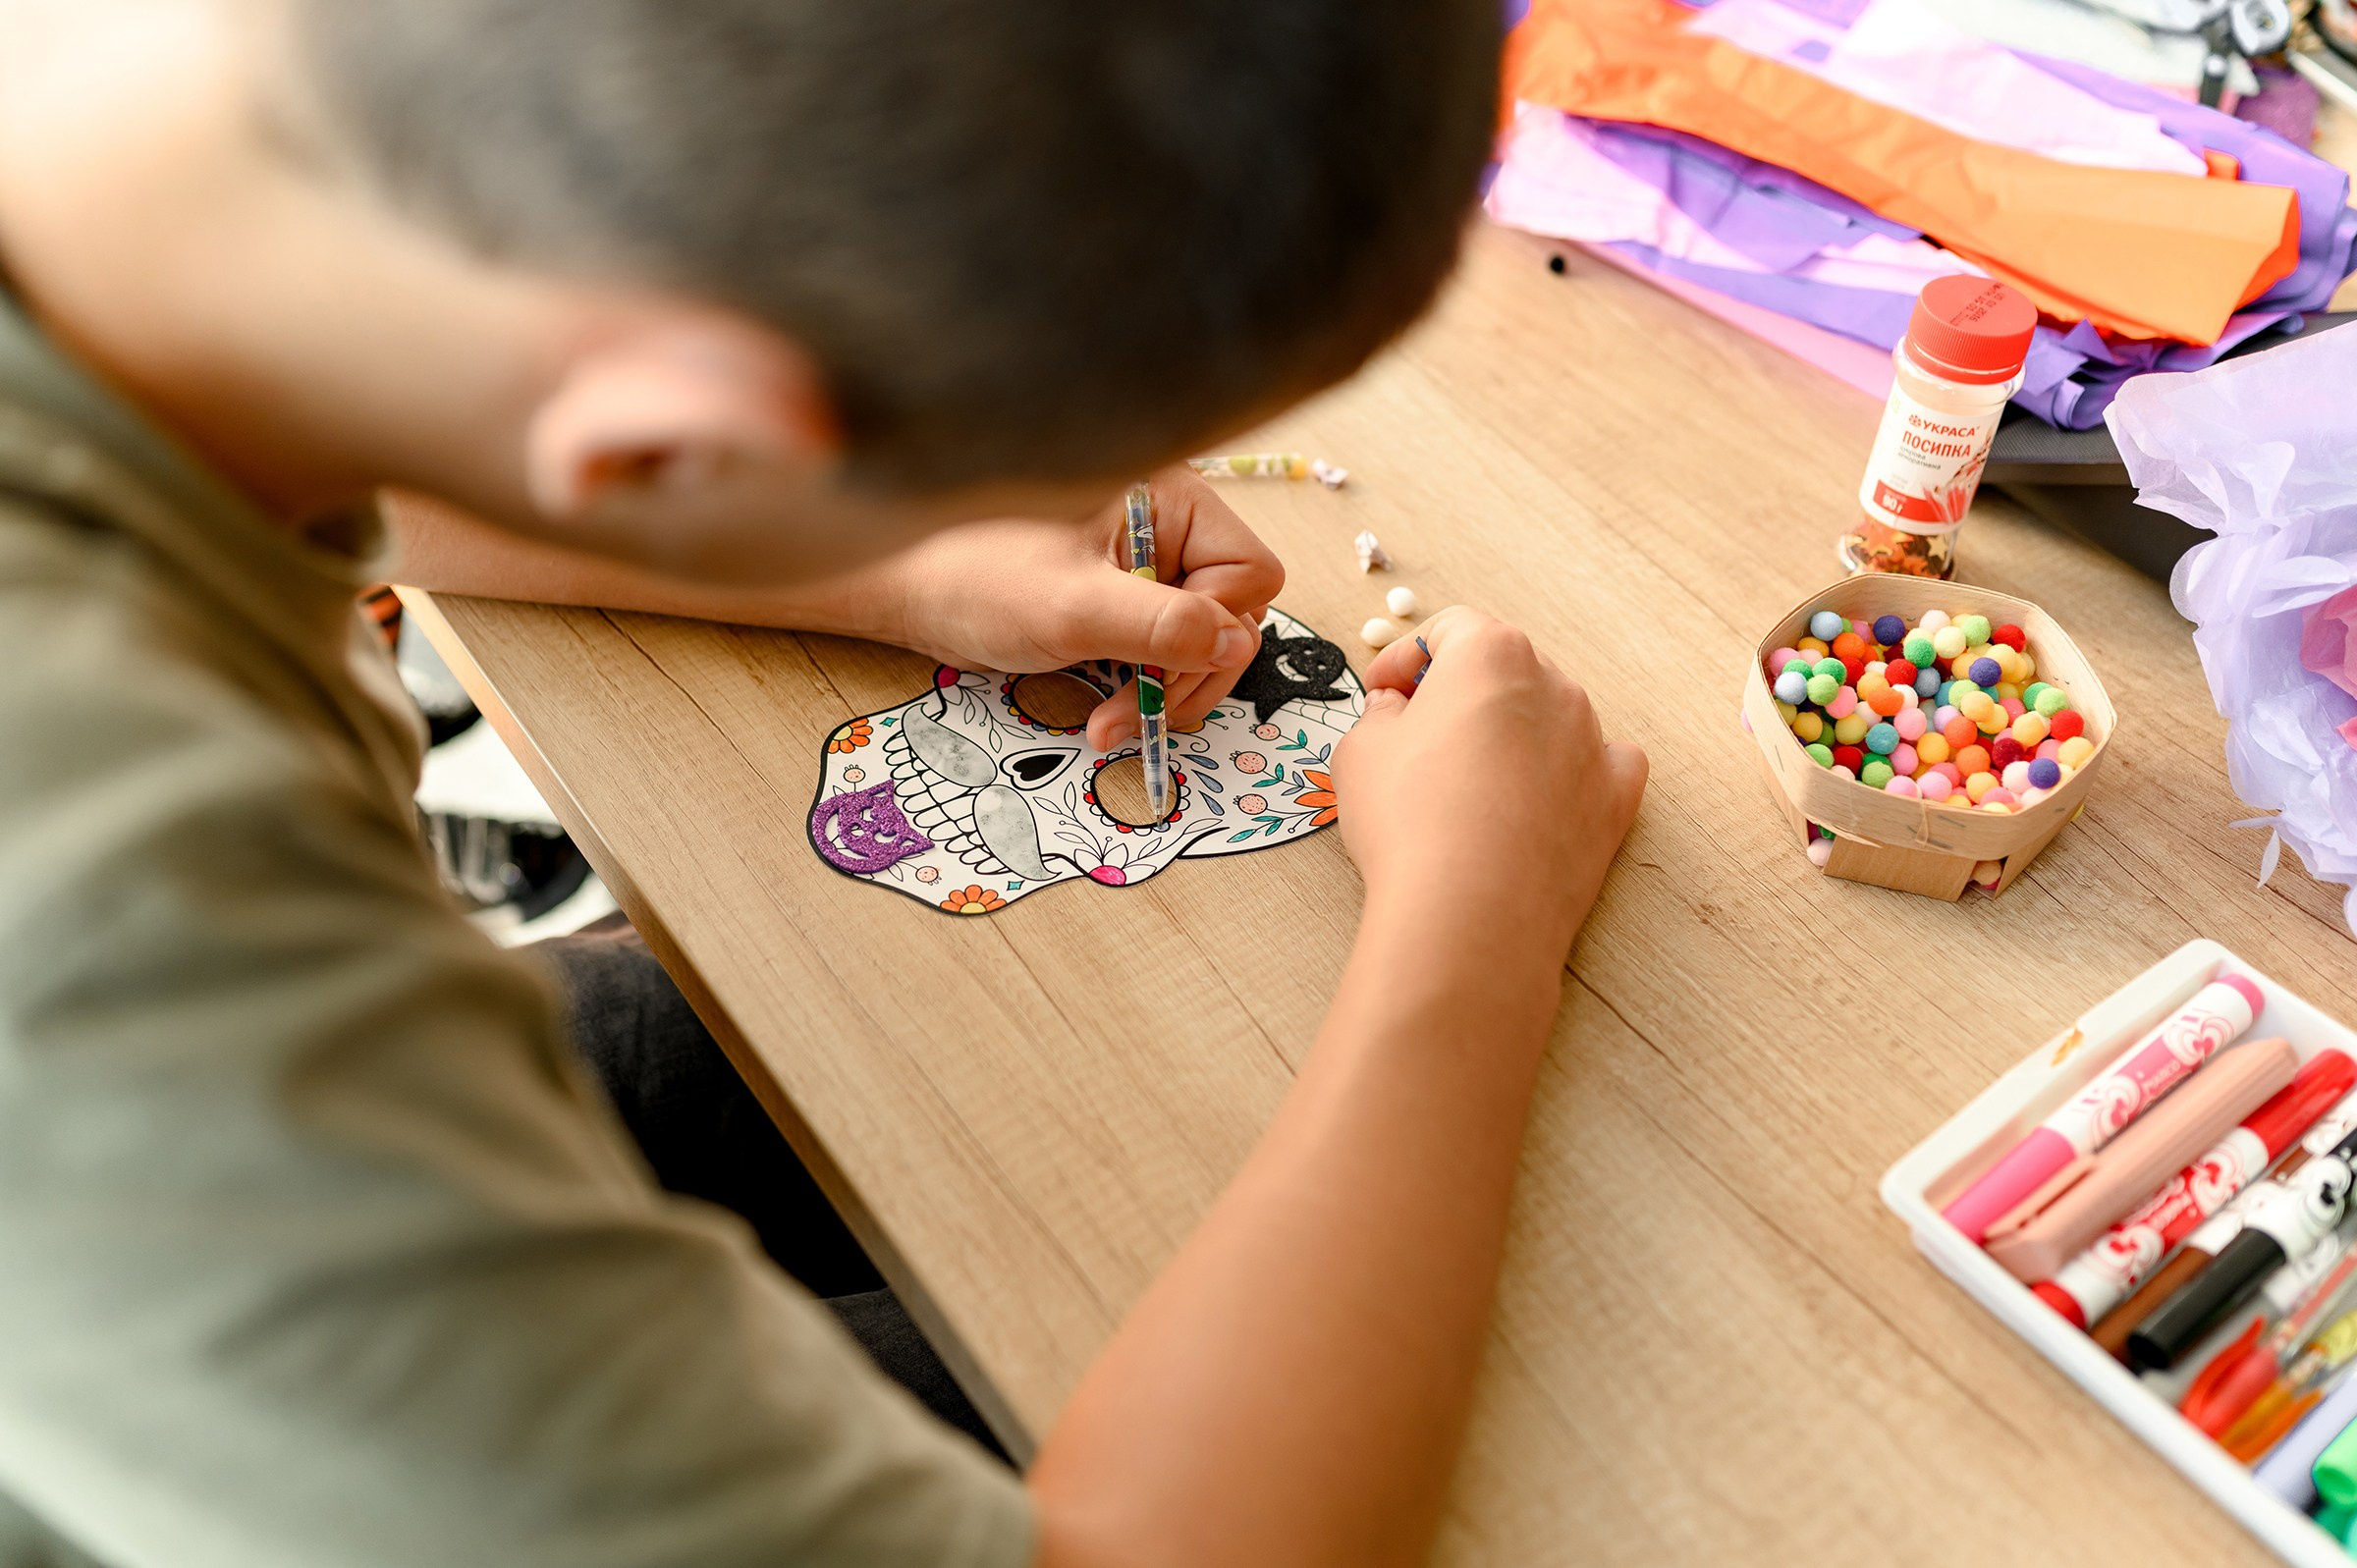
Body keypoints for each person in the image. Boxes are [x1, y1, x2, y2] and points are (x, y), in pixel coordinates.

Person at [0, 2, 1648, 1566]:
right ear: (676, 445)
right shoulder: (128, 934)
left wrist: (899, 564)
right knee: (1076, 1333)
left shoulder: (188, 162)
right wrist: (1476, 922)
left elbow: (404, 460)